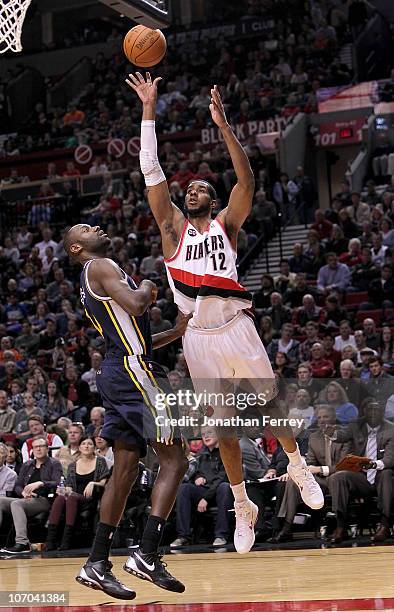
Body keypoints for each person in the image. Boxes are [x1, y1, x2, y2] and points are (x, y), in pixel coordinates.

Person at [128, 71, 323, 558]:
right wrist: (149, 109)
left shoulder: (226, 226)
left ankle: (296, 463)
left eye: (199, 188)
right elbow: (151, 170)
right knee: (225, 428)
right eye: (187, 188)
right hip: (198, 336)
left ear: (212, 201)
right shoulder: (172, 230)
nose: (190, 190)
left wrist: (225, 125)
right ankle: (242, 504)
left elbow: (247, 180)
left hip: (236, 327)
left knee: (269, 404)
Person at [63, 222, 190, 598]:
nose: (97, 226)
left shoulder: (93, 276)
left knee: (126, 469)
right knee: (175, 460)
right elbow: (137, 303)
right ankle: (147, 553)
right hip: (134, 373)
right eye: (86, 228)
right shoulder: (101, 265)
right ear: (76, 248)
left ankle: (97, 562)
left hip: (119, 369)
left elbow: (135, 337)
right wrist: (150, 285)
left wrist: (177, 332)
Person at [275, 405, 351, 542]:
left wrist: (321, 469)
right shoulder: (314, 437)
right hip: (322, 480)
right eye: (319, 417)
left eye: (325, 417)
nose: (322, 420)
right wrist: (306, 470)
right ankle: (286, 527)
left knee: (337, 477)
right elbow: (310, 462)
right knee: (293, 481)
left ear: (333, 417)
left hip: (344, 478)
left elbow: (345, 465)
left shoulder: (345, 434)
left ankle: (341, 526)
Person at [326, 400, 394, 543]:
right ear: (364, 413)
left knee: (387, 474)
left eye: (377, 410)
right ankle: (341, 526)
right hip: (361, 478)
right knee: (338, 477)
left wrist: (373, 464)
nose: (373, 413)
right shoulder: (356, 425)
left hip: (381, 476)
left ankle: (385, 525)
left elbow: (390, 459)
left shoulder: (390, 429)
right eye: (370, 410)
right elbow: (342, 435)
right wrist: (332, 434)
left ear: (382, 413)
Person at [170, 427, 234, 548]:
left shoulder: (226, 452)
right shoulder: (201, 455)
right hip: (205, 490)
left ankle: (221, 535)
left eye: (210, 433)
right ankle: (183, 536)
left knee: (224, 487)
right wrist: (198, 477)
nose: (206, 436)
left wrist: (205, 498)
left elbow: (222, 477)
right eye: (203, 434)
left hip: (219, 492)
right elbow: (196, 472)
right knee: (184, 488)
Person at [0, 437, 63, 554]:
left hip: (44, 500)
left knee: (16, 504)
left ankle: (22, 543)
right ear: (32, 450)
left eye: (41, 446)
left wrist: (41, 483)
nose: (38, 449)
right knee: (1, 501)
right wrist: (22, 492)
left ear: (47, 449)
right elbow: (18, 485)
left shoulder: (54, 464)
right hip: (26, 499)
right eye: (35, 447)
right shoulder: (27, 464)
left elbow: (58, 482)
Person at [46, 437, 109, 551]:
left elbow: (104, 482)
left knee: (71, 498)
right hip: (74, 497)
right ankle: (50, 541)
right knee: (61, 498)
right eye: (83, 444)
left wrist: (92, 483)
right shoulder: (73, 465)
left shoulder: (100, 461)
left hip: (91, 497)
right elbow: (69, 485)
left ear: (94, 448)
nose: (86, 446)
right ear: (79, 447)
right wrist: (66, 490)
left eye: (89, 444)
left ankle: (66, 540)